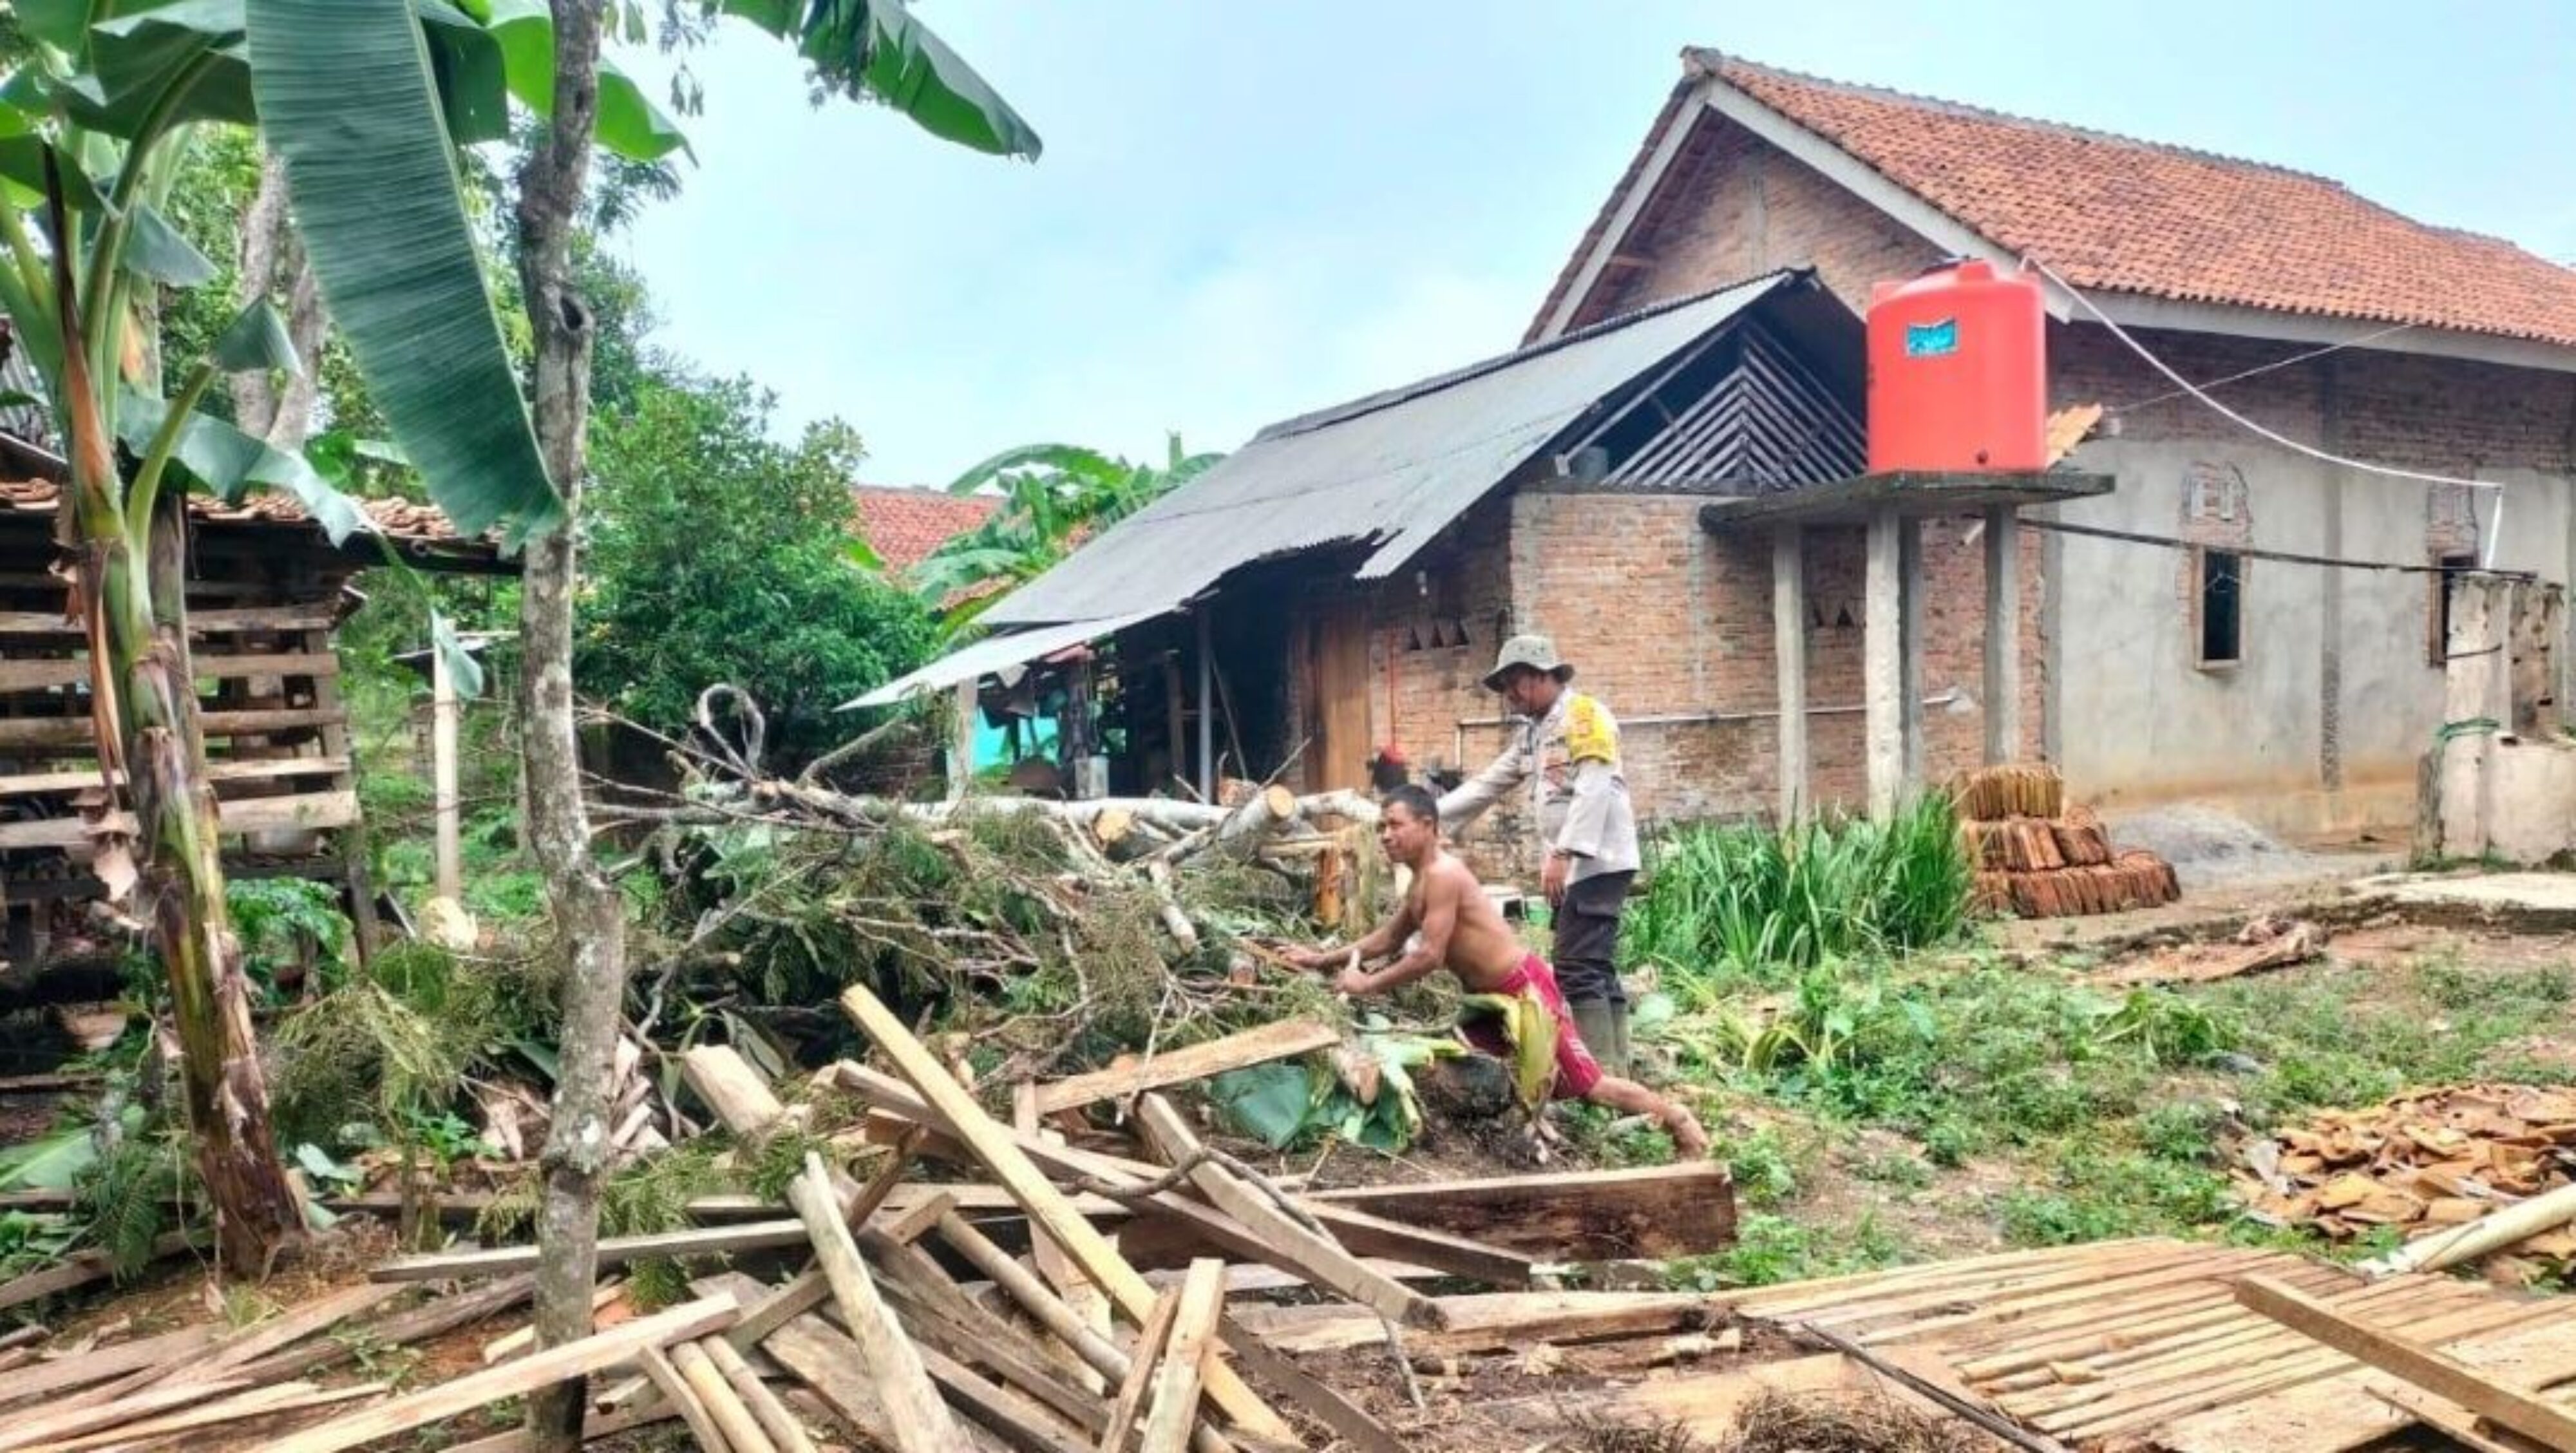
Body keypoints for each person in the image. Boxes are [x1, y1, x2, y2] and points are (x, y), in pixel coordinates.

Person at [1286, 785, 1708, 1157]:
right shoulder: (1419, 882)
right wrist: (1319, 959)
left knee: (1592, 1088)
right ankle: (1517, 1134)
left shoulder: (1443, 876)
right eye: (1381, 828)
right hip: (1487, 1002)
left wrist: (1366, 984)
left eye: (1395, 825)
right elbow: (1388, 940)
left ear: (1428, 825)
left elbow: (1429, 956)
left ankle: (1677, 1119)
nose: (1386, 836)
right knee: (1457, 1069)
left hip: (1525, 992)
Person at [1437, 634, 1640, 1074]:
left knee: (1576, 965)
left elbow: (1595, 787)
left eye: (1515, 683)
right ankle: (1616, 1068)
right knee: (1594, 964)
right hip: (1578, 865)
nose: (1510, 695)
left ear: (1543, 675)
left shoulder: (1585, 716)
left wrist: (1565, 851)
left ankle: (1597, 1076)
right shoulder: (1535, 734)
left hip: (1597, 860)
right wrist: (1430, 819)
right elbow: (1488, 784)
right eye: (1506, 686)